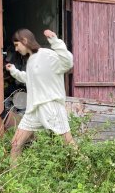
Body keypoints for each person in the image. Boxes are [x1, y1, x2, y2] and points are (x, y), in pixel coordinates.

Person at [5, 28, 74, 161]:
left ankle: (89, 170)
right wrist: (14, 71)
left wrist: (55, 41)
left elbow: (67, 63)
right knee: (15, 144)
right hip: (34, 109)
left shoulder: (47, 55)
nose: (16, 49)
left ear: (25, 40)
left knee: (69, 145)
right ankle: (14, 174)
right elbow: (30, 79)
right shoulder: (31, 60)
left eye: (17, 45)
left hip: (51, 106)